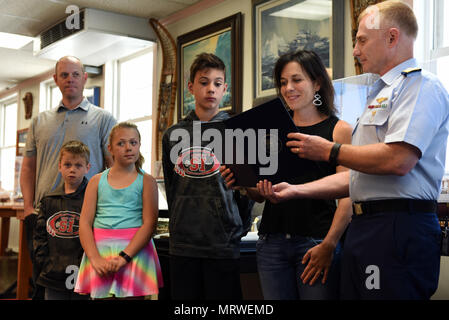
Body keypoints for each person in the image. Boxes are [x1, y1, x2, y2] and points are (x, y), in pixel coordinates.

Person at [264, 1, 449, 300]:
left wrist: (330, 150)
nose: (354, 50)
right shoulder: (380, 93)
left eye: (362, 40)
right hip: (366, 227)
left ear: (391, 37)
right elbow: (356, 177)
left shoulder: (420, 87)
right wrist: (297, 190)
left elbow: (399, 159)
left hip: (397, 226)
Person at [221, 50, 353, 300]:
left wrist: (329, 244)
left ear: (316, 83)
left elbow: (348, 195)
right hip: (272, 242)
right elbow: (260, 196)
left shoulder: (339, 130)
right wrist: (242, 183)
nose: (288, 88)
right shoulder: (269, 130)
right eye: (283, 82)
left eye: (297, 80)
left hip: (315, 241)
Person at [20, 55, 116, 299]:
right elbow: (29, 167)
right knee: (44, 285)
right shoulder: (39, 121)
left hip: (86, 215)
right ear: (55, 79)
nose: (70, 79)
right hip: (45, 215)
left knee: (83, 289)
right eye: (64, 75)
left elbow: (113, 165)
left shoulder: (103, 119)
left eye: (75, 74)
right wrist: (29, 206)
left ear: (85, 78)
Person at [162, 53, 252, 300]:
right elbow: (172, 187)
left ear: (225, 88)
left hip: (223, 244)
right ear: (191, 87)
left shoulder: (238, 131)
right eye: (203, 82)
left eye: (217, 83)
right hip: (183, 244)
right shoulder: (172, 134)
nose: (210, 89)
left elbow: (247, 192)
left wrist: (234, 229)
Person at [75, 122, 163, 299]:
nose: (128, 148)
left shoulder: (147, 181)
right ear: (110, 149)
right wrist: (95, 258)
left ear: (139, 145)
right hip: (100, 252)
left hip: (135, 252)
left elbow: (149, 224)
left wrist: (125, 257)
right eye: (121, 143)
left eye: (133, 142)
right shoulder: (96, 181)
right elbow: (84, 223)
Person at [33, 140, 91, 300]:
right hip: (52, 275)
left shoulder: (92, 199)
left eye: (78, 165)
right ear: (59, 166)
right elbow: (39, 237)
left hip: (84, 273)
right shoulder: (48, 200)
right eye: (67, 164)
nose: (72, 169)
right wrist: (46, 263)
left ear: (88, 168)